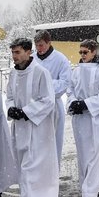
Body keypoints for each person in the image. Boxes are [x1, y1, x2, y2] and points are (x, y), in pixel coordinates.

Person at [5, 38, 59, 197]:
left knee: (30, 169)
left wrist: (26, 111)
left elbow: (48, 100)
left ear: (29, 52)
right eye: (13, 52)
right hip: (19, 129)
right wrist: (11, 108)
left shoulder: (40, 73)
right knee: (23, 168)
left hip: (36, 130)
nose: (14, 56)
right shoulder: (13, 73)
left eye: (18, 52)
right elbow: (9, 95)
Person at [67, 40, 99, 197]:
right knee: (83, 155)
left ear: (94, 52)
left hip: (96, 118)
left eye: (85, 52)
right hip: (80, 119)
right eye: (80, 52)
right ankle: (97, 185)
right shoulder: (77, 71)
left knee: (94, 155)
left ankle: (88, 195)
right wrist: (73, 103)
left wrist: (87, 104)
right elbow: (70, 90)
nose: (82, 55)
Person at [33, 30, 71, 168]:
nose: (39, 48)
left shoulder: (60, 59)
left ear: (49, 43)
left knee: (52, 141)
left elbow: (65, 82)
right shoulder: (32, 59)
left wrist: (44, 87)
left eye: (42, 45)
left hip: (53, 106)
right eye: (37, 45)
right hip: (34, 106)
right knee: (36, 142)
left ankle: (52, 172)